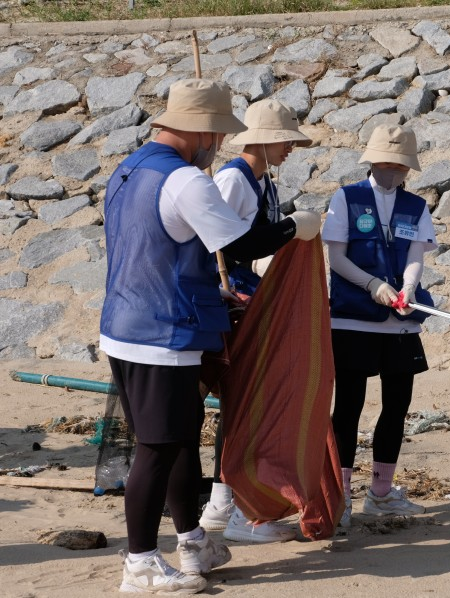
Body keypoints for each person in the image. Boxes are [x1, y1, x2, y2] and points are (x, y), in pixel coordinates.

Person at [100, 79, 320, 594]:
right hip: (163, 331)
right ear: (200, 131)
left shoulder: (128, 169)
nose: (218, 145)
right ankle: (140, 563)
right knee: (157, 448)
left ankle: (193, 538)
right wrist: (294, 227)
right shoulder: (185, 180)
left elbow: (155, 248)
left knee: (179, 439)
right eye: (216, 135)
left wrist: (206, 286)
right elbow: (240, 244)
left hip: (127, 323)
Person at [200, 98, 313, 543]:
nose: (290, 147)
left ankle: (227, 501)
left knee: (247, 404)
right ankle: (226, 504)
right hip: (226, 300)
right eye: (284, 140)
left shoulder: (264, 182)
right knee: (239, 403)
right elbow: (222, 243)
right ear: (263, 140)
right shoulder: (233, 179)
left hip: (248, 297)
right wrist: (289, 229)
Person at [321, 125, 437, 527]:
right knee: (348, 407)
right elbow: (336, 257)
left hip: (401, 322)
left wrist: (407, 288)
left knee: (397, 405)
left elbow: (416, 254)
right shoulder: (347, 197)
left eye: (400, 166)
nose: (392, 171)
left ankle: (381, 493)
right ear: (371, 162)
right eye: (386, 163)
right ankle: (340, 498)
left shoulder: (415, 206)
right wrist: (372, 285)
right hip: (352, 318)